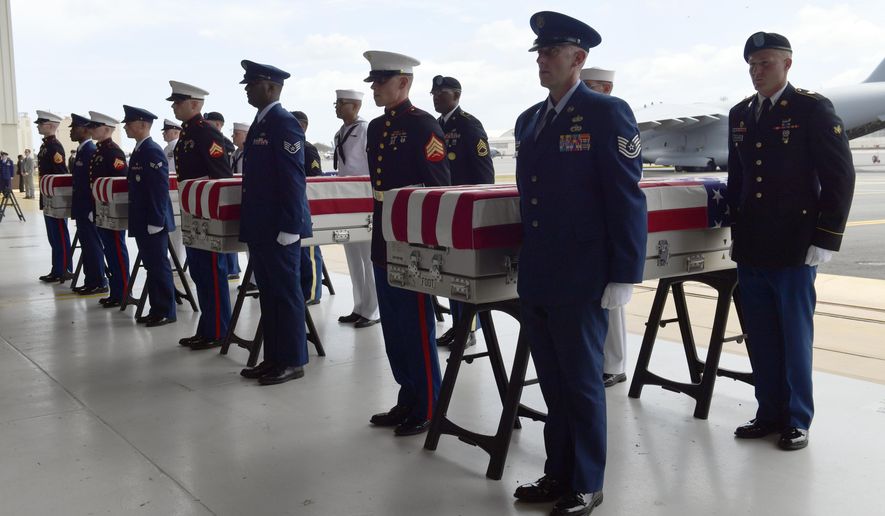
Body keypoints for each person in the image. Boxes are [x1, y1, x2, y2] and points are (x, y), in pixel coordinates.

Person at [511, 12, 646, 516]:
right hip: (540, 271)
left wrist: (625, 273)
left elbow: (625, 197)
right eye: (539, 53)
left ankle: (587, 482)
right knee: (553, 381)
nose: (542, 60)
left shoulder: (605, 113)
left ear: (579, 58)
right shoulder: (530, 119)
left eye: (552, 52)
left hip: (584, 273)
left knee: (583, 383)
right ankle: (558, 472)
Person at [728, 32, 855, 451]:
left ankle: (797, 419)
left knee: (795, 337)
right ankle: (768, 413)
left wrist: (827, 237)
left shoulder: (811, 108)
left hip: (795, 244)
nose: (757, 71)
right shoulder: (740, 113)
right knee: (761, 335)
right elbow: (739, 177)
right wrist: (734, 226)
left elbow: (839, 175)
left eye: (765, 62)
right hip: (752, 244)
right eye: (752, 64)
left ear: (787, 64)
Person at [363, 50, 451, 436]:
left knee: (415, 326)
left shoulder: (422, 125)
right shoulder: (376, 128)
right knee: (394, 328)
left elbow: (437, 188)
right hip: (384, 235)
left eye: (381, 82)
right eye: (373, 82)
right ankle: (408, 396)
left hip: (411, 241)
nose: (375, 89)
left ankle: (428, 404)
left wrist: (429, 247)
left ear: (403, 82)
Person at [237, 60, 311, 385]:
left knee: (286, 294)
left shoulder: (284, 123)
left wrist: (292, 226)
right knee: (268, 294)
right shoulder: (261, 122)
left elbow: (293, 178)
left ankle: (293, 361)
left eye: (252, 85)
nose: (247, 90)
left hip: (280, 226)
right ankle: (274, 357)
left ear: (270, 87)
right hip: (261, 225)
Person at [430, 74, 495, 349]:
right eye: (433, 94)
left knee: (465, 273)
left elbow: (484, 171)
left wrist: (481, 210)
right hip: (446, 207)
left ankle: (467, 329)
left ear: (456, 95)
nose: (436, 98)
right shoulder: (436, 125)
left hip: (465, 207)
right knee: (449, 270)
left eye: (441, 93)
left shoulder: (468, 124)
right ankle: (458, 325)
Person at [168, 80, 233, 350]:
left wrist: (215, 217)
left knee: (212, 272)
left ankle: (218, 330)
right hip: (194, 213)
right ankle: (207, 328)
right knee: (199, 272)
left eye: (178, 102)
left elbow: (220, 177)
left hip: (207, 215)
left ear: (194, 104)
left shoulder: (206, 133)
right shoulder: (189, 133)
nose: (174, 106)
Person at [580, 66, 629, 388]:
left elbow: (624, 189)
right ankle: (601, 360)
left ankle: (614, 363)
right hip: (583, 231)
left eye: (590, 86)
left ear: (606, 88)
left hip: (608, 227)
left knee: (611, 304)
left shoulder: (613, 116)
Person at [122, 105, 177, 327]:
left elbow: (159, 189)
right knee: (151, 266)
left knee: (158, 266)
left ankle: (166, 311)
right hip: (143, 219)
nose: (125, 127)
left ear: (143, 125)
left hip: (152, 220)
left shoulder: (151, 151)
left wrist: (156, 220)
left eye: (129, 123)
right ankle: (157, 309)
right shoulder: (139, 150)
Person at [333, 88, 379, 329]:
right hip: (346, 200)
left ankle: (373, 310)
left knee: (367, 257)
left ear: (355, 106)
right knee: (352, 257)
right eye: (336, 103)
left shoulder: (365, 130)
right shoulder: (340, 132)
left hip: (363, 199)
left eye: (341, 103)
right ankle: (359, 306)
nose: (337, 107)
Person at [88, 111, 131, 308]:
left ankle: (123, 292)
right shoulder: (99, 151)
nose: (91, 130)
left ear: (106, 129)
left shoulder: (113, 152)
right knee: (110, 252)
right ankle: (116, 292)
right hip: (102, 210)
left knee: (116, 252)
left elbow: (120, 185)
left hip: (112, 212)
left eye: (95, 126)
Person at [68, 113, 108, 296]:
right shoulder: (82, 151)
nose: (71, 131)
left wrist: (93, 208)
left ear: (85, 130)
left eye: (74, 128)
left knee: (93, 245)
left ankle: (99, 281)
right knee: (87, 245)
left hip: (88, 208)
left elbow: (94, 183)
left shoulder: (90, 150)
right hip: (82, 207)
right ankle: (91, 280)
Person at [35, 110, 72, 282]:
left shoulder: (54, 147)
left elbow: (60, 175)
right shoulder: (45, 146)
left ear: (50, 126)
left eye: (41, 123)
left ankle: (64, 269)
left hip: (56, 199)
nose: (38, 126)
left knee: (60, 236)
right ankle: (57, 269)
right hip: (48, 197)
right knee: (53, 236)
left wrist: (59, 202)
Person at [291, 110, 324, 307]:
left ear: (302, 127)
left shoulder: (308, 149)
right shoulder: (292, 145)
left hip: (307, 205)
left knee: (309, 251)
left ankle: (312, 292)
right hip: (295, 205)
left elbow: (315, 180)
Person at [205, 112, 241, 279]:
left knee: (227, 231)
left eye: (209, 123)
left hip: (225, 191)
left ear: (218, 124)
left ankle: (232, 268)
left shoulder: (224, 143)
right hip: (216, 191)